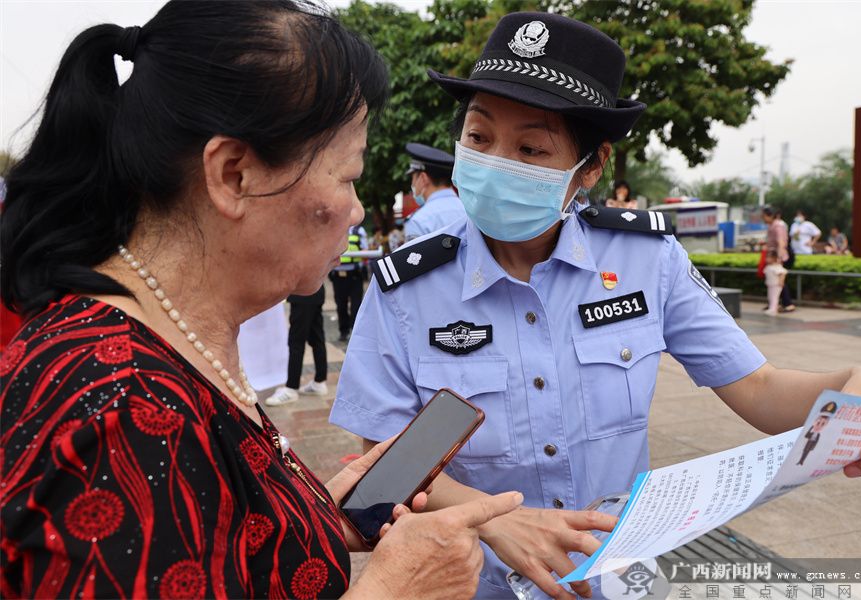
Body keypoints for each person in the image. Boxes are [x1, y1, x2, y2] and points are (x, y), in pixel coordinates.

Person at [329, 12, 861, 599]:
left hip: (615, 578)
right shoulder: (407, 288)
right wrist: (495, 519)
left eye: (531, 147)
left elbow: (757, 386)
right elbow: (387, 453)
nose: (496, 161)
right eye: (478, 137)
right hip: (474, 583)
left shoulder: (646, 260)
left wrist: (854, 387)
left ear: (591, 167)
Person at [0, 2, 525, 598]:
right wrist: (395, 588)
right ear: (233, 175)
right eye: (348, 176)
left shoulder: (169, 341)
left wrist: (306, 516)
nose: (355, 210)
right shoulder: (123, 408)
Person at [266, 287, 329, 406]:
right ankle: (319, 382)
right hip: (316, 291)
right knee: (316, 338)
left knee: (296, 343)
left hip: (303, 293)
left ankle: (291, 388)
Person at [403, 142, 467, 241]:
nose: (412, 184)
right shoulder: (470, 212)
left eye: (413, 178)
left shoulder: (418, 221)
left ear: (423, 178)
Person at [330, 224, 367, 341]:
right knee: (341, 305)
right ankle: (344, 331)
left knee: (356, 305)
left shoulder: (359, 230)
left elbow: (365, 250)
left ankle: (355, 333)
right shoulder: (332, 228)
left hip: (354, 275)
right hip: (338, 276)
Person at [762, 205, 796, 313]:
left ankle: (788, 304)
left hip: (781, 256)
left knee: (779, 281)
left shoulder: (778, 225)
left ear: (770, 215)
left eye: (764, 216)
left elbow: (781, 242)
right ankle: (776, 304)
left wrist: (779, 259)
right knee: (777, 281)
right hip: (776, 256)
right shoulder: (772, 225)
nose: (763, 218)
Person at [763, 252, 788, 316]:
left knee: (774, 297)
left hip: (776, 285)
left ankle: (773, 309)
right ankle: (773, 308)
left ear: (774, 258)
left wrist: (781, 282)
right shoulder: (769, 266)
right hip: (771, 284)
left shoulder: (776, 266)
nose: (766, 259)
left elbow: (782, 273)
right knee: (770, 297)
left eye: (768, 257)